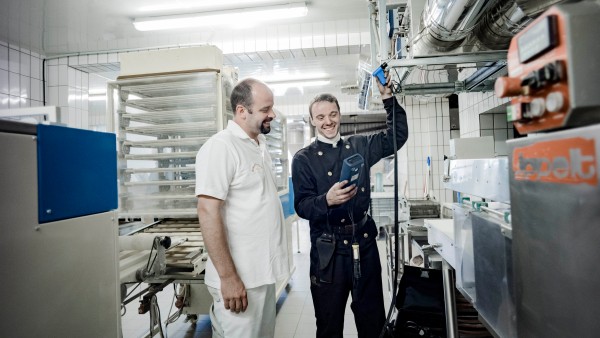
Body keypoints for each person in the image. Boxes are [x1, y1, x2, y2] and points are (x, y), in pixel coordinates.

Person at [291, 73, 408, 338]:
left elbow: (397, 136)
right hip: (328, 251)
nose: (327, 121)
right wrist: (326, 200)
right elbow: (302, 206)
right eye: (320, 117)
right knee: (330, 323)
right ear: (312, 121)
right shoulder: (303, 159)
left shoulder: (360, 145)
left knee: (373, 320)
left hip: (364, 244)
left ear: (339, 115)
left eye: (332, 114)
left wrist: (388, 97)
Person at [195, 78, 290, 338]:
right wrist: (228, 278)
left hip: (261, 276)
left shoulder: (258, 144)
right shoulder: (221, 147)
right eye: (265, 109)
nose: (272, 114)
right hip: (240, 279)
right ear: (241, 111)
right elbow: (207, 211)